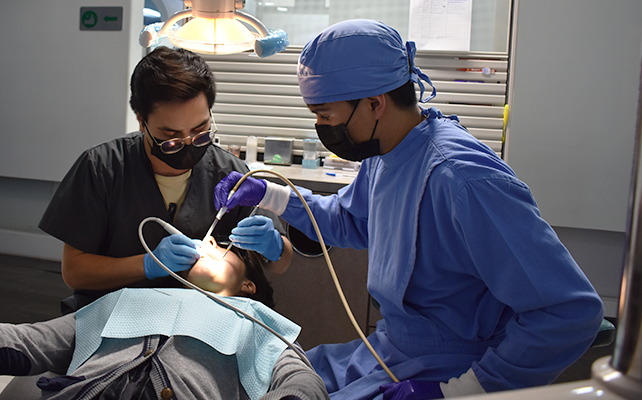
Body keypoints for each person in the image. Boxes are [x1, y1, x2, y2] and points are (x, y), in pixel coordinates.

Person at [214, 19, 604, 400]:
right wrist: (268, 194)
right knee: (269, 374)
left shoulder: (464, 181)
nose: (320, 126)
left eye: (326, 116)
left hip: (451, 369)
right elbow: (352, 220)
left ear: (374, 103)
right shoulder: (387, 153)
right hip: (389, 349)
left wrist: (463, 390)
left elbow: (568, 311)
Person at [0, 242, 326, 400]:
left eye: (219, 249)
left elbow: (300, 382)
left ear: (247, 286)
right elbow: (21, 340)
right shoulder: (125, 303)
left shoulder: (257, 322)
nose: (203, 245)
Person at [38, 46, 293, 314]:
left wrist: (274, 246)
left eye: (200, 131)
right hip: (111, 316)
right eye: (171, 137)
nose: (188, 145)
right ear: (141, 120)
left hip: (199, 321)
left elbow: (281, 262)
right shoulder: (102, 168)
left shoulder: (230, 173)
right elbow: (75, 273)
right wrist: (148, 264)